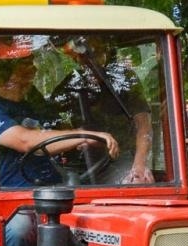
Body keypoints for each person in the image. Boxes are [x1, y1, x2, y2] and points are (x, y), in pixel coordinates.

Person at [0, 38, 118, 246]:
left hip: (53, 190)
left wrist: (77, 137)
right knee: (18, 228)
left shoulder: (32, 104)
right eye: (26, 67)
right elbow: (25, 140)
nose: (34, 71)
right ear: (6, 75)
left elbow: (58, 127)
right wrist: (81, 135)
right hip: (14, 199)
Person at [49, 35, 153, 184]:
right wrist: (73, 135)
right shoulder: (71, 83)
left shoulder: (124, 80)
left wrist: (139, 165)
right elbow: (51, 119)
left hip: (116, 157)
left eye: (94, 53)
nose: (87, 60)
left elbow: (143, 125)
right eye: (82, 56)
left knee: (135, 182)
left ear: (106, 50)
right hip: (77, 161)